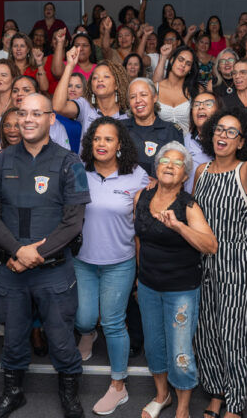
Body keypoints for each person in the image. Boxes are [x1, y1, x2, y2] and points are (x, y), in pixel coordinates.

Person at [0, 93, 91, 418]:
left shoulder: (70, 162)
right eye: (22, 113)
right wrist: (18, 251)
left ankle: (69, 396)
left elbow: (74, 221)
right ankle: (13, 393)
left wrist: (36, 253)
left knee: (61, 338)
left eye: (36, 113)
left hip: (53, 270)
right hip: (12, 267)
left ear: (51, 119)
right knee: (13, 338)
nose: (28, 119)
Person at [192, 100, 247, 418]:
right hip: (203, 260)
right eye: (219, 130)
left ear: (241, 141)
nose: (223, 135)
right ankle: (215, 393)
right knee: (206, 331)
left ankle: (235, 403)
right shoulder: (201, 171)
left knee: (235, 333)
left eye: (231, 132)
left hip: (237, 260)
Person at [134, 141, 218, 418]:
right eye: (164, 161)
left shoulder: (188, 205)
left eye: (177, 163)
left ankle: (183, 407)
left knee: (180, 352)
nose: (169, 165)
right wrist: (139, 277)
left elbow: (210, 245)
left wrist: (179, 226)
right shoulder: (141, 197)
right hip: (148, 285)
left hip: (181, 290)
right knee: (154, 345)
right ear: (156, 167)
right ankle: (163, 396)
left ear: (185, 175)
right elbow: (139, 240)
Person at [74, 117, 150, 415]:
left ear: (119, 145)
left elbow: (153, 206)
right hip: (83, 261)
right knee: (83, 319)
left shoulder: (137, 176)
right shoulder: (79, 171)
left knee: (113, 322)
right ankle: (87, 334)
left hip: (119, 262)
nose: (101, 144)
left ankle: (119, 386)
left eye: (108, 139)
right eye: (97, 138)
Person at [53, 47, 129, 145]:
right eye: (95, 77)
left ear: (116, 85)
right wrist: (69, 66)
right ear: (91, 85)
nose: (99, 80)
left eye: (106, 76)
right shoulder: (85, 106)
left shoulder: (127, 115)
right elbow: (58, 107)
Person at [0, 75, 70, 151]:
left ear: (37, 94)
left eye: (26, 90)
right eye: (15, 91)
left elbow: (65, 157)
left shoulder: (53, 125)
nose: (19, 94)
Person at [122, 78, 184, 177]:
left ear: (155, 97)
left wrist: (159, 182)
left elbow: (178, 170)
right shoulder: (119, 128)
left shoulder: (171, 131)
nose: (138, 100)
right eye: (133, 97)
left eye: (143, 95)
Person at [154, 46, 198, 133]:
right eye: (180, 60)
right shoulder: (156, 88)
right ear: (172, 60)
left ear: (190, 69)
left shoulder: (195, 90)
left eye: (188, 64)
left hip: (187, 139)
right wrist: (163, 56)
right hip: (159, 139)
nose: (183, 65)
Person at [184, 92, 220, 192]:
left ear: (218, 110)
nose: (201, 107)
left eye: (208, 104)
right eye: (196, 104)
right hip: (190, 199)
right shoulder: (185, 140)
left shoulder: (225, 139)